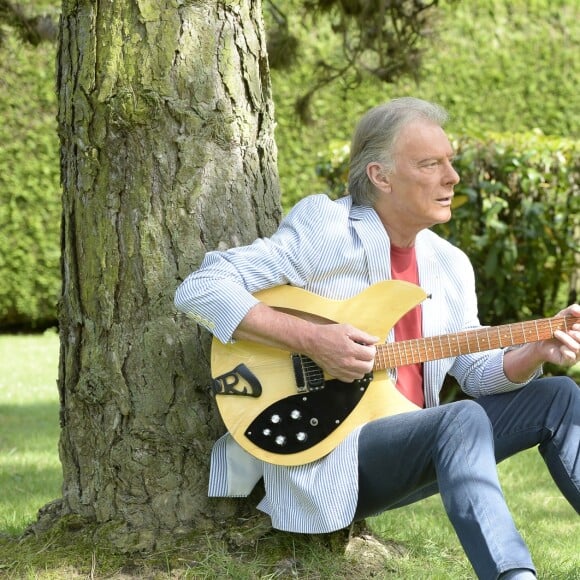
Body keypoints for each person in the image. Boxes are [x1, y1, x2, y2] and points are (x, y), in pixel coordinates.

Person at [174, 97, 580, 579]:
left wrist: (535, 349)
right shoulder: (328, 228)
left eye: (450, 161)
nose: (452, 177)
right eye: (431, 164)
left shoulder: (449, 264)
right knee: (460, 419)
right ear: (380, 176)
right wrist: (311, 339)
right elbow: (201, 286)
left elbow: (476, 373)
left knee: (559, 397)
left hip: (416, 443)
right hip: (333, 449)